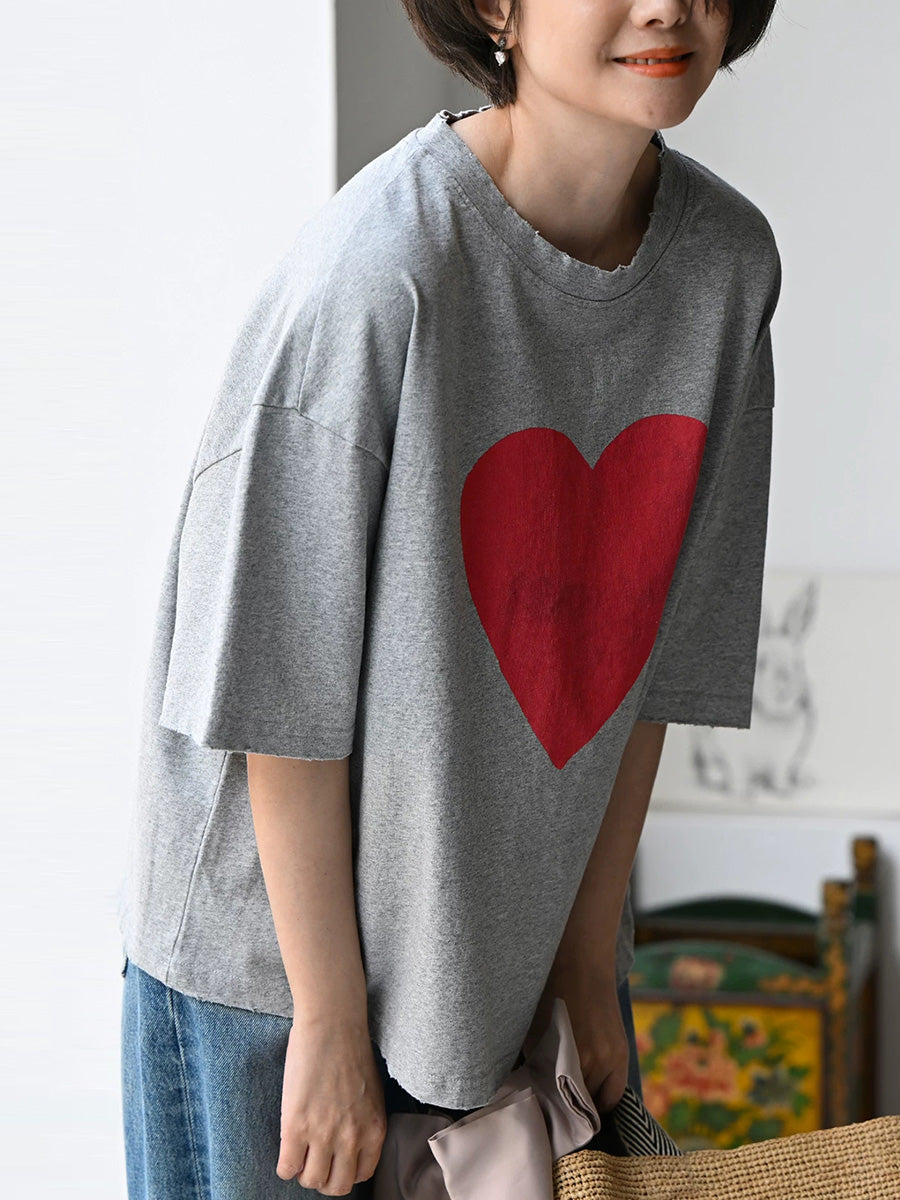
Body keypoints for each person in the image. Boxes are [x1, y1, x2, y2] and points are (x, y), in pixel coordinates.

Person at [117, 0, 782, 1195]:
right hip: (277, 971)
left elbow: (656, 658)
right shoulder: (380, 269)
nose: (668, 6)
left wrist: (587, 956)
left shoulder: (724, 271)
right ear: (493, 6)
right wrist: (328, 1021)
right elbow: (277, 689)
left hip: (500, 942)